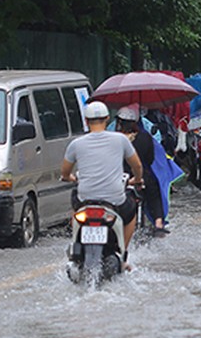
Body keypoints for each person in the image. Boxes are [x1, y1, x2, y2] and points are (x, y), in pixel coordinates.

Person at [60, 100, 144, 265]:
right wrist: (138, 179)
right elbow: (137, 165)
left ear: (86, 121)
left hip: (85, 199)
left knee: (74, 203)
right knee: (131, 212)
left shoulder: (76, 144)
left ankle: (74, 243)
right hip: (115, 200)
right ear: (107, 119)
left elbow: (64, 172)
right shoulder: (121, 140)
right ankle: (123, 254)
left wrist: (70, 178)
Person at [115, 104, 169, 236]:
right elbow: (149, 159)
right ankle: (158, 222)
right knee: (155, 192)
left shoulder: (114, 138)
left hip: (120, 177)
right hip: (142, 176)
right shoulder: (145, 137)